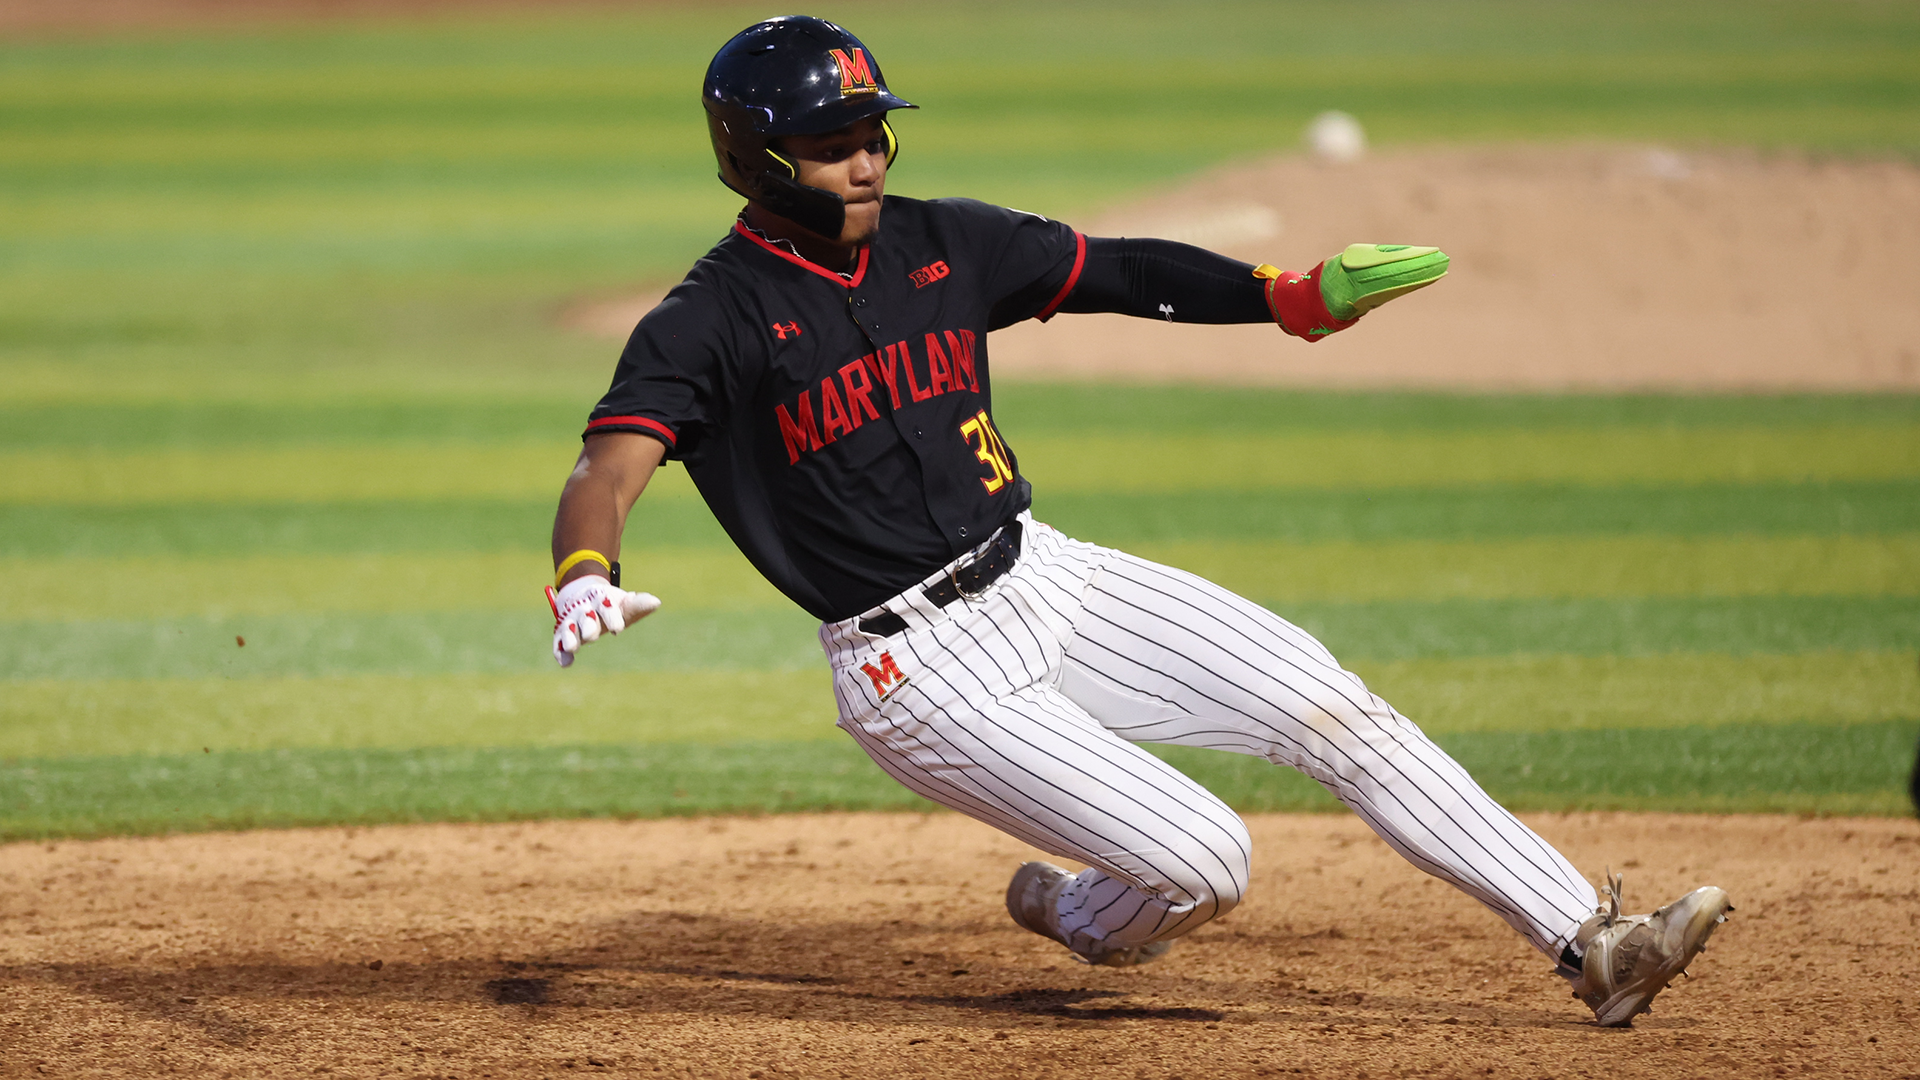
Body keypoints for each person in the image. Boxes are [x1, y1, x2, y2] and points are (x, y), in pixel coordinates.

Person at [546, 15, 1731, 1027]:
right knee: (1211, 859)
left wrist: (1286, 299)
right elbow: (610, 463)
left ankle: (1594, 942)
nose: (864, 163)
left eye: (873, 135)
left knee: (1330, 705)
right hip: (917, 672)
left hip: (1047, 576)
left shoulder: (941, 240)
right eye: (830, 147)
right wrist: (588, 567)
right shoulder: (708, 321)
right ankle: (1081, 911)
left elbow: (1116, 270)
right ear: (756, 161)